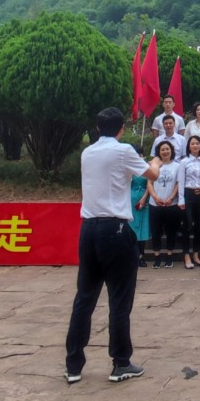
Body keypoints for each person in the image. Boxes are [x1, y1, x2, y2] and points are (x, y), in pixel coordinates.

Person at [65, 107, 160, 385]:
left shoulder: (87, 152)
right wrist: (155, 161)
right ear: (121, 129)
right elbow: (150, 175)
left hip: (89, 229)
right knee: (119, 299)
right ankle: (120, 362)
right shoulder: (122, 151)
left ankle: (73, 364)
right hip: (115, 229)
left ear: (97, 128)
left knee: (84, 298)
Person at [147, 141, 184, 268]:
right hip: (155, 204)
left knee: (171, 231)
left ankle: (169, 256)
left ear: (171, 151)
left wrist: (171, 198)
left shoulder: (177, 166)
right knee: (156, 231)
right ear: (159, 152)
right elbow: (150, 183)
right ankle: (157, 257)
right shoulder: (154, 165)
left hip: (171, 204)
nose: (165, 151)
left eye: (167, 149)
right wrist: (155, 197)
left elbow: (179, 183)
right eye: (162, 149)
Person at [180, 135, 200, 269]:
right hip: (189, 194)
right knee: (187, 225)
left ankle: (196, 254)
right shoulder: (184, 162)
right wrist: (181, 199)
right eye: (193, 144)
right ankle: (186, 255)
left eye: (197, 143)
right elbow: (181, 181)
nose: (195, 146)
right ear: (189, 146)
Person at [129, 152, 151, 268]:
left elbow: (149, 184)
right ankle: (133, 255)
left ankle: (141, 255)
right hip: (131, 198)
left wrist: (144, 198)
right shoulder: (129, 168)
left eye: (140, 154)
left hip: (144, 197)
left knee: (143, 228)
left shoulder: (146, 168)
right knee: (132, 227)